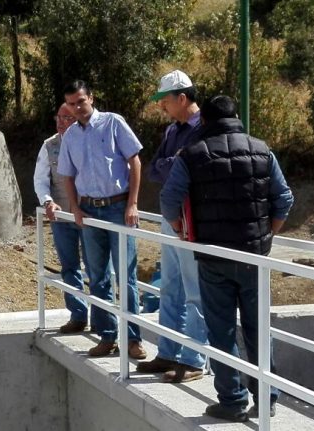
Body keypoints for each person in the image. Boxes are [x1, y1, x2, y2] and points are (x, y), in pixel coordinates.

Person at [160, 95, 294, 422]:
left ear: (203, 121)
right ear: (237, 117)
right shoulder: (263, 150)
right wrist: (268, 236)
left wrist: (180, 229)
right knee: (258, 329)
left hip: (213, 257)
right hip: (254, 258)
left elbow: (169, 199)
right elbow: (284, 199)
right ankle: (266, 398)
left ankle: (232, 402)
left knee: (220, 331)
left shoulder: (192, 155)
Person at [57, 80, 146, 359]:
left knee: (126, 276)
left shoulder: (113, 123)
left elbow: (135, 162)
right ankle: (108, 336)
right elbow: (67, 176)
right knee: (97, 277)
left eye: (80, 101)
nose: (77, 108)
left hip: (118, 208)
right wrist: (75, 208)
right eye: (71, 104)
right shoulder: (70, 136)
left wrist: (132, 203)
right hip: (90, 211)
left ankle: (133, 339)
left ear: (91, 99)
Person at [137, 70, 208, 383]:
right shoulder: (171, 132)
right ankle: (168, 352)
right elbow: (156, 169)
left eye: (164, 100)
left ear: (182, 98)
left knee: (194, 290)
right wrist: (174, 162)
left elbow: (189, 169)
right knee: (170, 287)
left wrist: (174, 164)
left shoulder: (205, 129)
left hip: (193, 219)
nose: (161, 106)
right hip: (172, 216)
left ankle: (194, 358)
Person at [34, 103, 89, 333]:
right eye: (58, 117)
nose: (60, 121)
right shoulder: (49, 146)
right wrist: (48, 201)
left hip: (89, 217)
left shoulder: (89, 141)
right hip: (62, 217)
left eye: (66, 117)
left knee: (97, 268)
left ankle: (103, 319)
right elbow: (40, 180)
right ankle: (78, 315)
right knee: (69, 267)